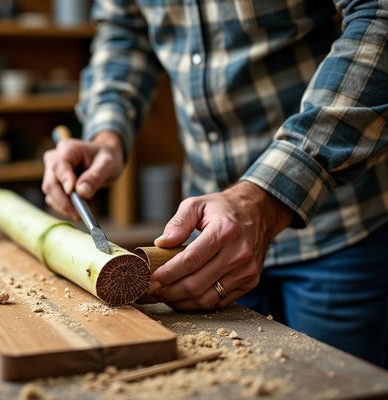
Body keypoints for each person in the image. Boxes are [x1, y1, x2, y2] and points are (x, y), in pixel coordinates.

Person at [42, 0, 388, 368]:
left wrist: (268, 196)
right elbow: (125, 31)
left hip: (339, 221)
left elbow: (379, 14)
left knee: (336, 382)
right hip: (209, 241)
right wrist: (106, 133)